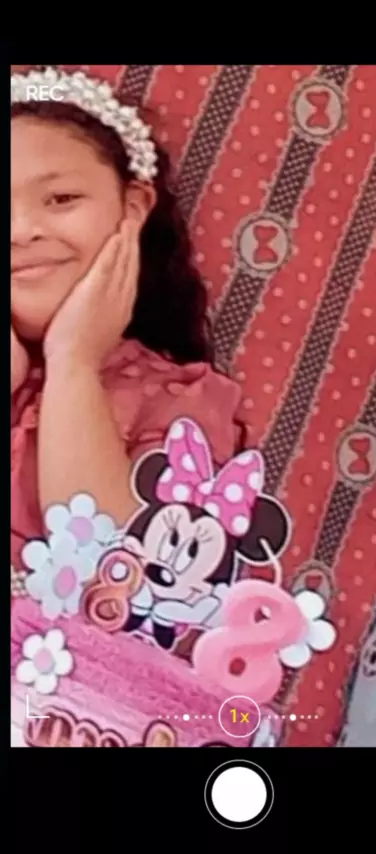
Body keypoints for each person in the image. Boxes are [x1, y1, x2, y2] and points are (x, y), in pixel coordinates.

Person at [11, 67, 243, 569]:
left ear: (132, 208)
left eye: (61, 199)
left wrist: (74, 362)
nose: (21, 230)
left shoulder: (179, 405)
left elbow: (119, 577)